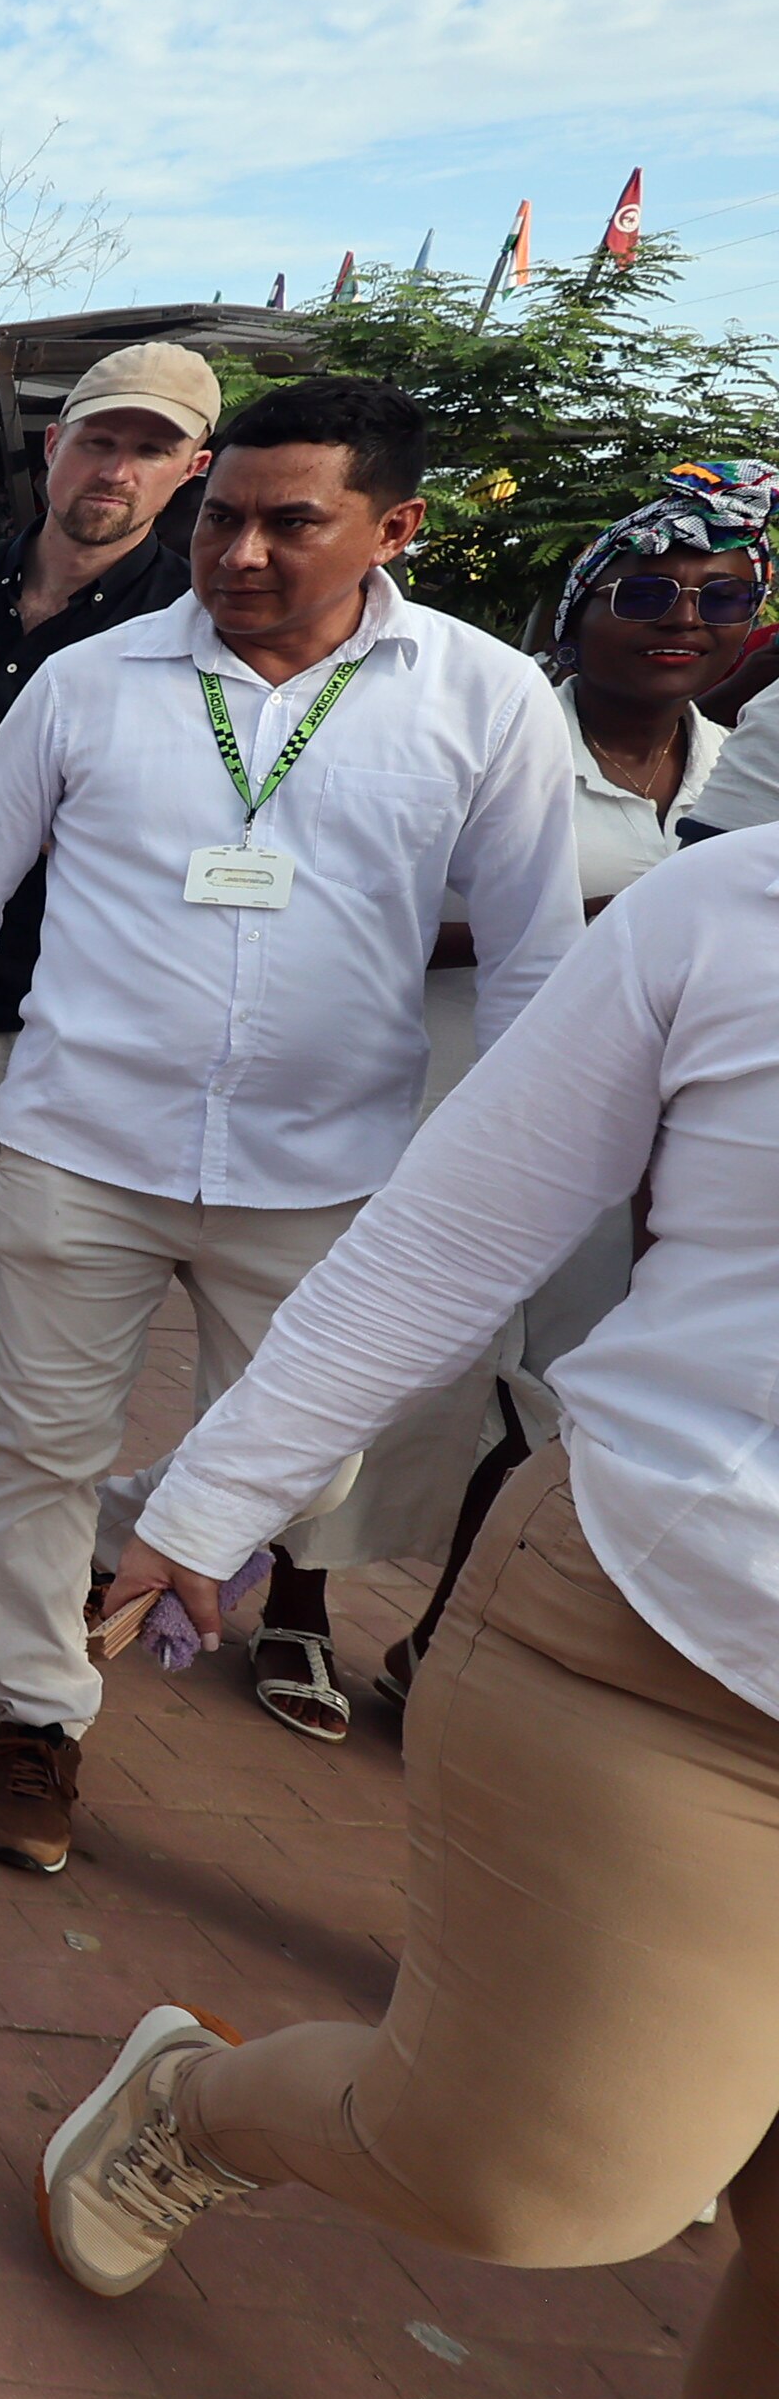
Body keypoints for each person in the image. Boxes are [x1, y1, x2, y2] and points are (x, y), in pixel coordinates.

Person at [37, 831, 779, 2399]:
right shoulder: (732, 908)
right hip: (675, 1654)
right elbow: (452, 1235)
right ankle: (199, 2108)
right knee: (530, 2179)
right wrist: (209, 1504)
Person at [0, 377, 582, 1875]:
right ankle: (35, 1720)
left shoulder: (483, 700)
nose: (240, 553)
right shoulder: (94, 685)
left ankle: (154, 1520)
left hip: (323, 1175)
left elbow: (530, 964)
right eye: (224, 518)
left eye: (289, 525)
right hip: (80, 1145)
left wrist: (506, 1187)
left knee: (306, 1470)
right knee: (36, 1447)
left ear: (396, 528)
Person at [361, 459, 763, 1715]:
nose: (683, 620)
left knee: (551, 1408)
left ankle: (439, 1635)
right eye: (645, 591)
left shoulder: (738, 781)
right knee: (398, 1374)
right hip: (451, 1097)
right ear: (581, 610)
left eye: (723, 595)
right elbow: (363, 923)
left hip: (640, 1152)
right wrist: (581, 933)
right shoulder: (491, 735)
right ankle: (300, 1608)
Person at [0, 344, 217, 1587]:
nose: (115, 470)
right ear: (57, 445)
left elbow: (189, 838)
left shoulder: (183, 637)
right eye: (98, 439)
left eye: (149, 449)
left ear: (190, 470)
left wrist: (10, 774)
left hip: (21, 1000)